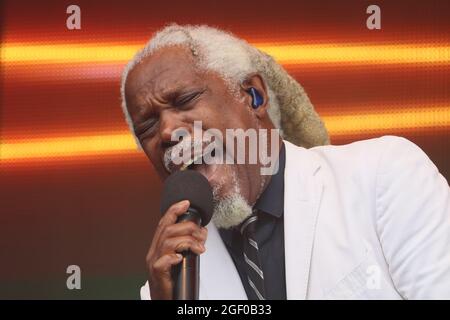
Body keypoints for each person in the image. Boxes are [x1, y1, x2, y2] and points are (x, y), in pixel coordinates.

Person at [120, 24, 450, 299]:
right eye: (147, 126)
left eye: (185, 100)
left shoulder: (383, 174)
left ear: (253, 96)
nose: (165, 132)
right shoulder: (170, 282)